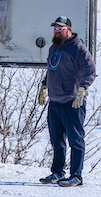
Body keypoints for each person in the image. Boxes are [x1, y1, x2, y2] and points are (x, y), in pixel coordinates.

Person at [38, 16, 96, 187]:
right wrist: (44, 86)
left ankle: (76, 176)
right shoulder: (53, 48)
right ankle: (57, 172)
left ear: (69, 30)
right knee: (57, 141)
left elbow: (90, 70)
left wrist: (82, 90)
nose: (57, 31)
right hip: (55, 101)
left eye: (60, 28)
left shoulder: (78, 49)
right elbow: (52, 70)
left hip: (73, 103)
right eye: (55, 28)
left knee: (75, 140)